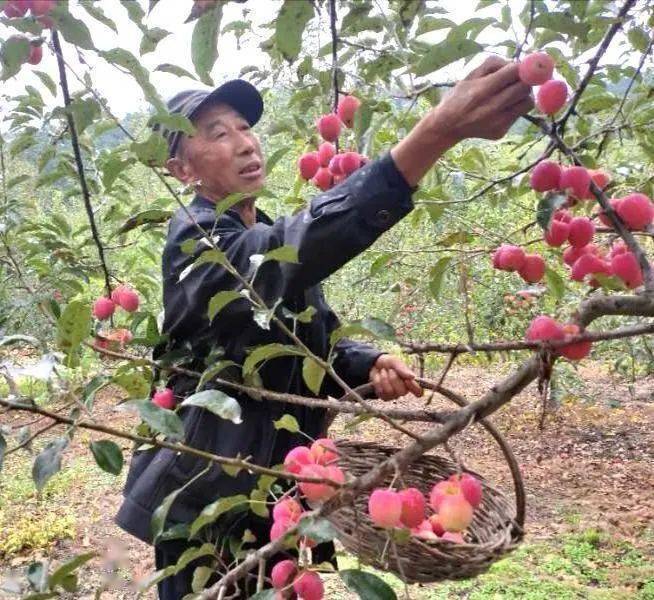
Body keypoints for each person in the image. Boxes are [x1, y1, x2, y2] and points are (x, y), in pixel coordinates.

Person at [115, 57, 533, 598]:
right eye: (218, 133)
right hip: (208, 492)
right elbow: (280, 256)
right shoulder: (194, 240)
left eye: (245, 128)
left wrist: (365, 361)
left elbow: (318, 339)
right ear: (182, 171)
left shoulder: (267, 234)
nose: (245, 143)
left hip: (291, 482)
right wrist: (432, 135)